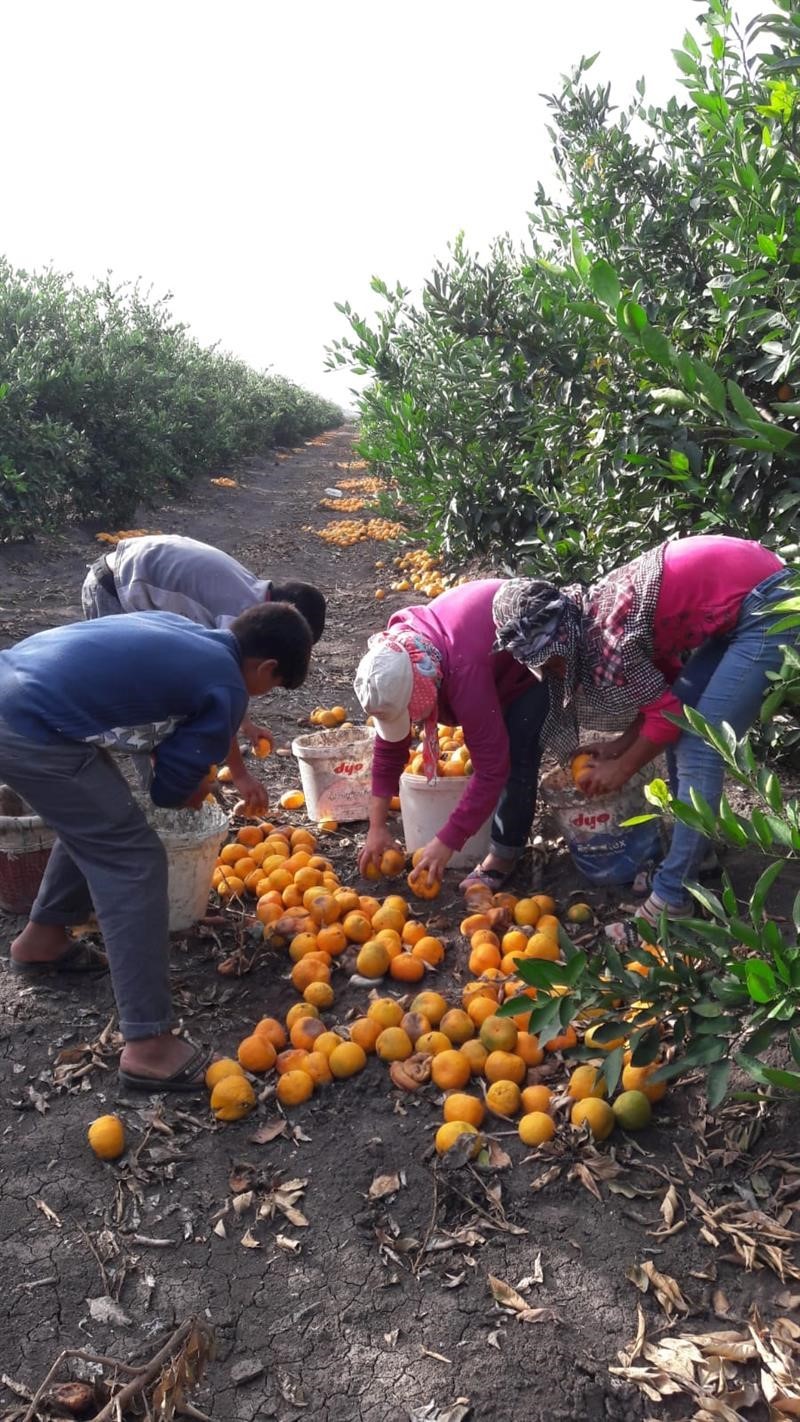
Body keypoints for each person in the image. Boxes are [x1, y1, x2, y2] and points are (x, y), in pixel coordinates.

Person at [0, 603, 312, 1090]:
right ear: (267, 668)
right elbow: (167, 793)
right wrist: (193, 786)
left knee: (102, 823)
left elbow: (149, 726)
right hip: (29, 726)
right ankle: (148, 1046)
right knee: (132, 857)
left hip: (16, 689)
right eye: (272, 687)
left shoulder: (193, 634)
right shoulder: (227, 685)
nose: (262, 695)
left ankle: (43, 938)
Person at [492, 534, 793, 923]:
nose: (554, 670)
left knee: (703, 747)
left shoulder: (607, 636)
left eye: (551, 661)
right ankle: (695, 858)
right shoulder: (590, 617)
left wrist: (623, 767)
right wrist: (620, 745)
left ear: (561, 640)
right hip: (745, 597)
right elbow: (668, 701)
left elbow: (666, 721)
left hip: (768, 603)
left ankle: (672, 897)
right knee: (689, 731)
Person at [82, 533, 326, 810]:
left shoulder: (250, 600)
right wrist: (241, 775)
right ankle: (162, 804)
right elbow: (221, 694)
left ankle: (170, 792)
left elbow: (230, 683)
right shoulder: (233, 615)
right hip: (116, 587)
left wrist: (245, 724)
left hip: (131, 574)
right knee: (144, 710)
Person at [354, 580, 550, 890]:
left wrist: (446, 842)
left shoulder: (463, 672)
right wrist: (376, 827)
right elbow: (390, 749)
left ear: (423, 689)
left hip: (531, 655)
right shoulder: (399, 653)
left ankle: (504, 854)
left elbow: (491, 768)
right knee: (495, 743)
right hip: (483, 653)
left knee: (515, 754)